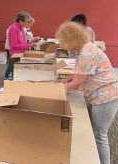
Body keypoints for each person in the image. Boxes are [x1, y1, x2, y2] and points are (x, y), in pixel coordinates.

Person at [56, 22, 118, 164]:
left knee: (99, 135)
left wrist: (56, 90)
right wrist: (71, 79)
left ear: (71, 39)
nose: (61, 45)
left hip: (105, 97)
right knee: (93, 132)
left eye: (63, 42)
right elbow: (82, 74)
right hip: (97, 94)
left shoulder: (87, 52)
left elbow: (77, 83)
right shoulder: (85, 49)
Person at [4, 11, 37, 79]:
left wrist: (30, 43)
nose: (28, 23)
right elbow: (14, 45)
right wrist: (29, 45)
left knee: (20, 75)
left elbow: (23, 42)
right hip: (15, 55)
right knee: (16, 76)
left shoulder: (21, 28)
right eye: (27, 22)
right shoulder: (13, 28)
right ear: (21, 21)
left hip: (21, 54)